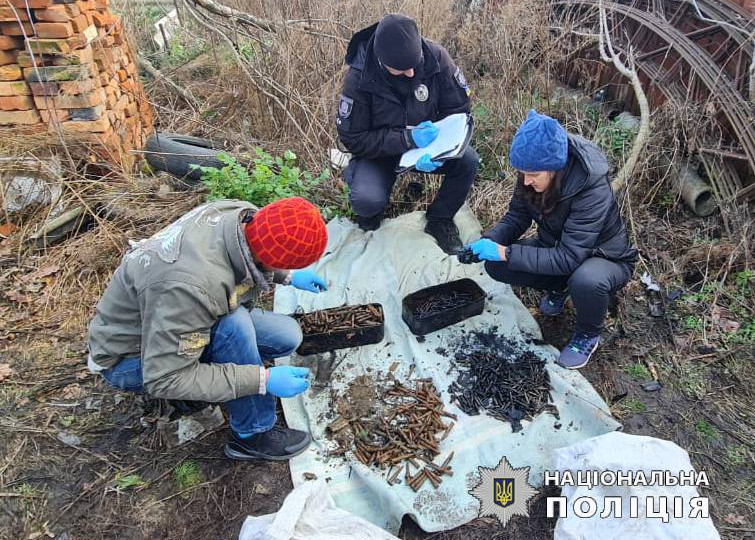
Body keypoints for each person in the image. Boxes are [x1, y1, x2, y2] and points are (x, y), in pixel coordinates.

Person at [87, 197, 329, 460]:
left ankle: (223, 368)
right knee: (233, 327)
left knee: (286, 335)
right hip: (131, 358)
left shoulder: (237, 214)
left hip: (177, 318)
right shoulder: (192, 288)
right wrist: (263, 380)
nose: (288, 269)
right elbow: (165, 378)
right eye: (288, 265)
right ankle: (251, 435)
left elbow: (259, 251)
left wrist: (288, 277)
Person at [466, 110, 638, 369]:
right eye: (522, 173)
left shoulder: (591, 186)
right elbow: (516, 217)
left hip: (604, 259)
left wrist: (506, 252)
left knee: (586, 280)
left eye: (533, 174)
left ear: (555, 168)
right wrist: (489, 241)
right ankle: (560, 287)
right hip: (557, 248)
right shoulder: (532, 168)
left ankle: (588, 334)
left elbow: (571, 257)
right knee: (496, 265)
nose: (526, 180)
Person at [336, 13, 478, 254]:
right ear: (382, 61)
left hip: (428, 146)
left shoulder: (436, 57)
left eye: (415, 64)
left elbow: (459, 109)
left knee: (468, 161)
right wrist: (406, 139)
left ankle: (440, 220)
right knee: (367, 199)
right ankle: (370, 213)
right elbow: (354, 138)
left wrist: (441, 148)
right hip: (380, 153)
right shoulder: (358, 77)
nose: (411, 74)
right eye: (401, 70)